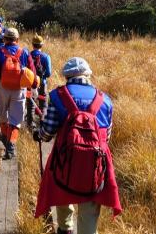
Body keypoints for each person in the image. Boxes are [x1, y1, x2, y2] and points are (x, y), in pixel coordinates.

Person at [34, 57, 122, 234]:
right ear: (88, 75)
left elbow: (47, 132)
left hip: (64, 161)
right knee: (89, 210)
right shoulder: (105, 100)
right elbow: (106, 138)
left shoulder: (57, 96)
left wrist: (40, 134)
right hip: (94, 166)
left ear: (66, 76)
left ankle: (65, 228)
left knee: (62, 191)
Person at [0, 27, 37, 159]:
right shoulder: (24, 52)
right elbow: (32, 73)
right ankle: (11, 146)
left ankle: (5, 138)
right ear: (17, 39)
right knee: (16, 119)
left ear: (4, 39)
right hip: (19, 89)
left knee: (3, 116)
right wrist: (33, 87)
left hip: (2, 88)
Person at [26, 35, 52, 128]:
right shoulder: (46, 56)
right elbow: (48, 73)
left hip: (30, 83)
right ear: (42, 45)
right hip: (42, 83)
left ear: (33, 44)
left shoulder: (28, 55)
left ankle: (30, 124)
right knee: (43, 104)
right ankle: (42, 123)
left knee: (30, 103)